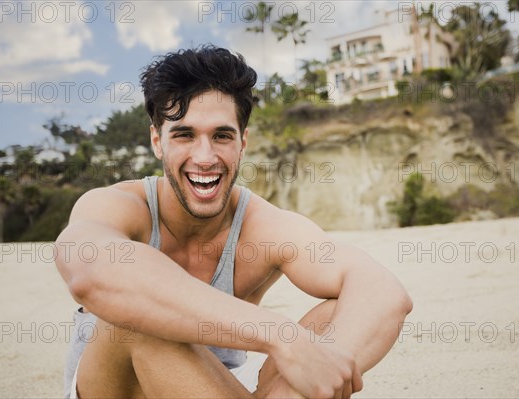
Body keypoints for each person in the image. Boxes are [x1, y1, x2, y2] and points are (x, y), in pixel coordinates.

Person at [55, 44, 412, 399]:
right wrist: (280, 336)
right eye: (184, 135)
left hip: (213, 387)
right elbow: (90, 271)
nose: (205, 157)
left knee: (337, 316)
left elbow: (382, 290)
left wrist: (315, 364)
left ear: (242, 143)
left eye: (221, 136)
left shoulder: (263, 227)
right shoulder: (119, 205)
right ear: (157, 142)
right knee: (135, 323)